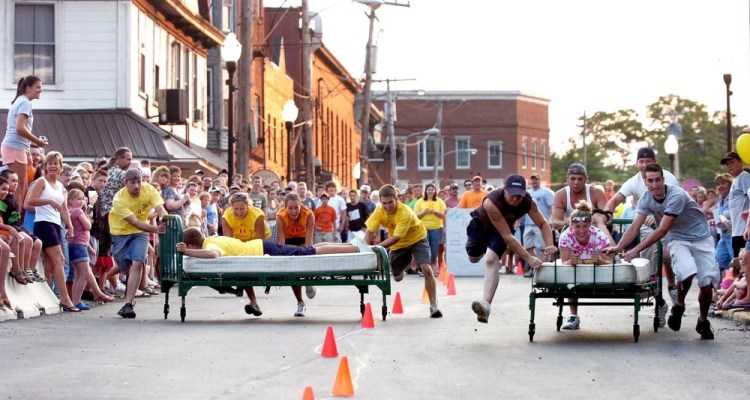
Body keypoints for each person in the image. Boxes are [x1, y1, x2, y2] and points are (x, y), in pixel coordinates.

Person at [603, 164, 719, 340]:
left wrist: (635, 250)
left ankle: (703, 320)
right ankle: (679, 303)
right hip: (677, 238)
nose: (654, 185)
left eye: (658, 180)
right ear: (645, 181)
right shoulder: (645, 199)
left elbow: (662, 230)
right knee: (686, 272)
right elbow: (635, 227)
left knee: (706, 283)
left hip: (701, 237)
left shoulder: (676, 195)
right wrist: (619, 247)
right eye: (650, 181)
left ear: (663, 180)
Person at [467, 174, 556, 323]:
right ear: (504, 189)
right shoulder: (492, 201)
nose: (515, 199)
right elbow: (508, 237)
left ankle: (486, 305)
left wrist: (550, 244)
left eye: (519, 196)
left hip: (501, 231)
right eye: (512, 195)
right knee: (474, 258)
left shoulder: (528, 202)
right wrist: (528, 257)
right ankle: (481, 251)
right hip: (480, 226)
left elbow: (543, 224)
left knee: (491, 260)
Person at [604, 147, 679, 313]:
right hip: (647, 225)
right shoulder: (634, 182)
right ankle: (658, 299)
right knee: (652, 257)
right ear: (637, 163)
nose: (644, 165)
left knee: (666, 255)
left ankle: (672, 286)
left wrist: (657, 215)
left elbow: (671, 204)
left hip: (669, 223)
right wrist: (606, 215)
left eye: (648, 161)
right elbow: (615, 199)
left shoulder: (668, 178)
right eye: (641, 161)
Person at [362, 184, 442, 318]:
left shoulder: (405, 212)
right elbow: (370, 231)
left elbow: (395, 237)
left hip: (417, 240)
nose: (387, 206)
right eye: (384, 203)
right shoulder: (379, 210)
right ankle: (404, 265)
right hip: (399, 246)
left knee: (427, 269)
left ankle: (434, 306)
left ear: (397, 199)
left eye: (390, 202)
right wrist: (365, 248)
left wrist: (376, 248)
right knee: (398, 277)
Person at [24, 151, 79, 312]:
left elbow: (63, 209)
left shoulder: (61, 186)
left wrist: (70, 226)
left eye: (56, 163)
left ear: (61, 167)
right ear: (45, 166)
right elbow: (30, 201)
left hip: (56, 224)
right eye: (50, 163)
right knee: (60, 259)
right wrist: (47, 201)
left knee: (49, 266)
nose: (53, 166)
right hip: (43, 223)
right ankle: (64, 298)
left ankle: (44, 299)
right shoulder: (42, 182)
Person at [109, 169, 167, 318]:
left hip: (140, 234)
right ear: (125, 183)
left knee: (138, 262)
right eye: (133, 182)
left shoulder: (148, 189)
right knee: (124, 266)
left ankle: (129, 303)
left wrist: (166, 221)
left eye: (139, 181)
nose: (137, 185)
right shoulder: (119, 200)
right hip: (120, 233)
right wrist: (156, 229)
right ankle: (123, 282)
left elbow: (160, 208)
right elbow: (134, 222)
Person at [557, 201, 614, 330]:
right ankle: (573, 315)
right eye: (577, 226)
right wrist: (571, 262)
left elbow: (610, 263)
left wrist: (599, 261)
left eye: (585, 226)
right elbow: (564, 263)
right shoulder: (566, 236)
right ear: (571, 226)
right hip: (576, 270)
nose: (582, 230)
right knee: (569, 276)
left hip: (597, 270)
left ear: (590, 225)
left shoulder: (599, 235)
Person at [221, 192, 271, 316]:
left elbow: (261, 241)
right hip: (239, 242)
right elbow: (228, 241)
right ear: (230, 207)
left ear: (248, 206)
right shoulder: (226, 216)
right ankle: (253, 302)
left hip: (258, 241)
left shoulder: (257, 215)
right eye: (235, 209)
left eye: (242, 209)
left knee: (252, 266)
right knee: (243, 269)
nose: (239, 212)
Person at [2, 75, 48, 207]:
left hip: (17, 147)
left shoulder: (21, 101)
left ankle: (14, 216)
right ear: (28, 87)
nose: (40, 90)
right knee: (18, 187)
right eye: (38, 87)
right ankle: (13, 218)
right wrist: (37, 142)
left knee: (23, 186)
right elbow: (20, 128)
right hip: (14, 147)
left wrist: (27, 150)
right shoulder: (25, 103)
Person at [276, 193, 317, 316]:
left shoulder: (309, 215)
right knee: (293, 270)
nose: (293, 211)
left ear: (301, 205)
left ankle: (309, 281)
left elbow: (309, 243)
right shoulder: (280, 216)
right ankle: (300, 302)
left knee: (306, 255)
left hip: (303, 239)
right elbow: (282, 243)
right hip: (288, 241)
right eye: (290, 208)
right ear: (285, 207)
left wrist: (307, 253)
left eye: (296, 208)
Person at [552, 163, 613, 244]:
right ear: (567, 179)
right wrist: (576, 222)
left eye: (580, 179)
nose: (576, 182)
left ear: (585, 179)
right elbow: (555, 222)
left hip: (595, 239)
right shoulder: (560, 195)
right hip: (573, 240)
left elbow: (607, 216)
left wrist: (599, 219)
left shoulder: (596, 192)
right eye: (573, 179)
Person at [0, 169, 43, 283]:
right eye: (13, 181)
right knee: (26, 240)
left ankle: (30, 269)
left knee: (38, 243)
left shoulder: (11, 197)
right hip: (9, 226)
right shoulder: (3, 200)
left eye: (17, 181)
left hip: (17, 225)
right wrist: (7, 227)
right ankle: (20, 269)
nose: (15, 184)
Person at [522, 173, 555, 278]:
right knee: (527, 246)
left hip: (540, 224)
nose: (534, 182)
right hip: (528, 223)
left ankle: (543, 269)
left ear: (540, 180)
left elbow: (551, 207)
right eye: (532, 180)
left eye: (536, 180)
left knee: (541, 247)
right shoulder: (527, 193)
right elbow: (522, 208)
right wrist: (518, 221)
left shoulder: (546, 192)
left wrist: (552, 220)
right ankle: (535, 266)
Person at [721, 151, 750, 257]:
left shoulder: (744, 176)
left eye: (732, 162)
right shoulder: (736, 179)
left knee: (744, 267)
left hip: (744, 231)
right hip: (736, 231)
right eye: (727, 164)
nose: (729, 166)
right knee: (739, 266)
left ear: (740, 162)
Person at [414, 183, 446, 276]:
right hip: (423, 228)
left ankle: (433, 266)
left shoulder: (440, 201)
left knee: (434, 248)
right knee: (424, 248)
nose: (430, 191)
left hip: (436, 227)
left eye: (432, 189)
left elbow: (443, 215)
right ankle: (424, 267)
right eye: (429, 189)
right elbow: (416, 216)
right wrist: (424, 212)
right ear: (425, 191)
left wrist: (435, 212)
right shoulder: (420, 202)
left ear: (435, 191)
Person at [714, 173, 734, 273]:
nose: (720, 186)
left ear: (730, 184)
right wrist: (714, 221)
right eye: (718, 184)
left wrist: (727, 223)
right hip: (723, 235)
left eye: (723, 183)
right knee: (719, 258)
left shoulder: (734, 198)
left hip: (733, 235)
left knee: (735, 262)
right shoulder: (720, 199)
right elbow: (719, 215)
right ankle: (729, 282)